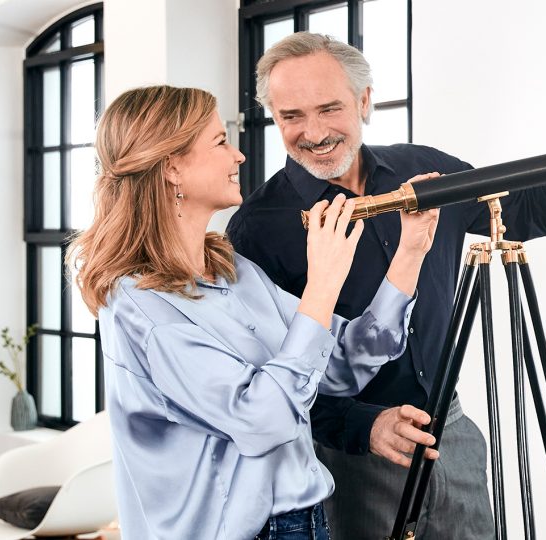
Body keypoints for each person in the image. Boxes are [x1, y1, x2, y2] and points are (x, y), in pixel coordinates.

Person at [226, 32, 546, 538]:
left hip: (453, 434)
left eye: (329, 108)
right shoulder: (256, 227)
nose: (313, 132)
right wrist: (361, 427)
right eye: (291, 116)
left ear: (365, 100)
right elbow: (266, 378)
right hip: (352, 458)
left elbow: (527, 213)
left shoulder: (420, 168)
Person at [71, 85, 443, 539]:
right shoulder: (142, 309)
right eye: (219, 141)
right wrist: (323, 283)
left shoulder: (234, 271)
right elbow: (261, 421)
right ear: (172, 168)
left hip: (306, 518)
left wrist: (410, 251)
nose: (239, 156)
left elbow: (342, 367)